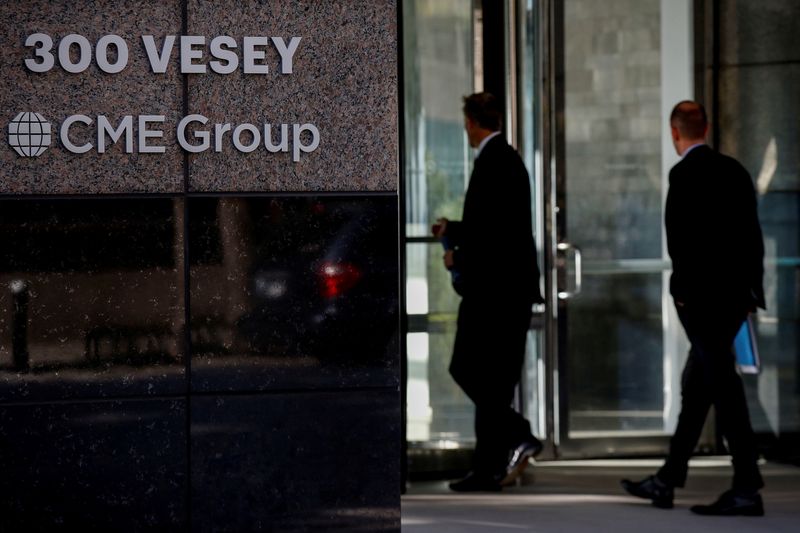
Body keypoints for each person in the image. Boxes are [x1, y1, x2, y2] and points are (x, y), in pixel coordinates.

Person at [622, 101, 766, 516]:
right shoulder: (735, 171)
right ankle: (667, 479)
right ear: (705, 127)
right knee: (699, 386)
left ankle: (745, 486)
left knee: (723, 388)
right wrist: (751, 295)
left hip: (702, 303)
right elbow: (751, 237)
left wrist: (682, 293)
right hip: (734, 300)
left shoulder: (683, 174)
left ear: (675, 131)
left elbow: (680, 242)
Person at [434, 92, 545, 492]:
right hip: (506, 292)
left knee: (468, 368)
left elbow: (492, 234)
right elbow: (497, 225)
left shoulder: (493, 162)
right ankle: (491, 465)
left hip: (494, 294)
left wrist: (457, 260)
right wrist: (456, 230)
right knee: (491, 380)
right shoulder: (507, 160)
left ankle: (514, 440)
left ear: (471, 123)